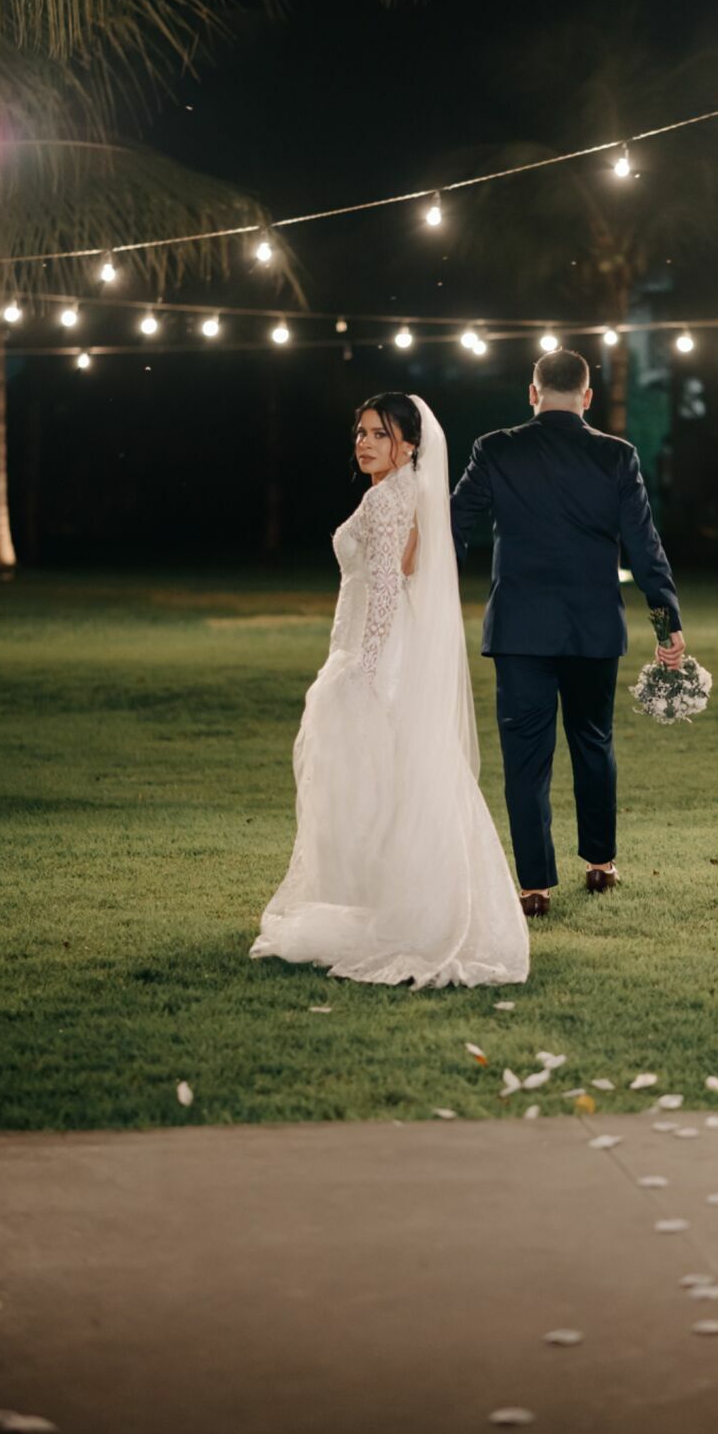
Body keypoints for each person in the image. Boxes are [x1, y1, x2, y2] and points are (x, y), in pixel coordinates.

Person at [250, 392, 529, 988]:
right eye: (360, 433)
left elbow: (381, 589)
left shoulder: (385, 498)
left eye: (379, 434)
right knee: (405, 776)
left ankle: (384, 909)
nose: (365, 443)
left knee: (370, 779)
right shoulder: (413, 496)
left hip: (377, 651)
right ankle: (411, 901)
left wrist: (364, 666)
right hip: (395, 647)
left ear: (409, 443)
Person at [450, 349, 684, 918]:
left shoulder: (495, 448)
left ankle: (534, 887)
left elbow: (453, 526)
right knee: (593, 742)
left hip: (519, 632)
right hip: (592, 630)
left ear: (532, 394)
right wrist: (666, 625)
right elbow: (644, 550)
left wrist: (428, 601)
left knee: (525, 759)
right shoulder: (616, 456)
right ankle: (600, 864)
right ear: (587, 397)